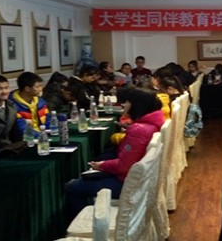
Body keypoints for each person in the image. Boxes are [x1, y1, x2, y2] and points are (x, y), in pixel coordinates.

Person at [64, 86, 164, 218]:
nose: (124, 105)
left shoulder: (139, 130)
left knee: (72, 187)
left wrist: (102, 165)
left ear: (136, 105)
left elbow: (124, 166)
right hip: (138, 179)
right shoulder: (152, 123)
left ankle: (86, 221)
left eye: (127, 102)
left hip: (127, 183)